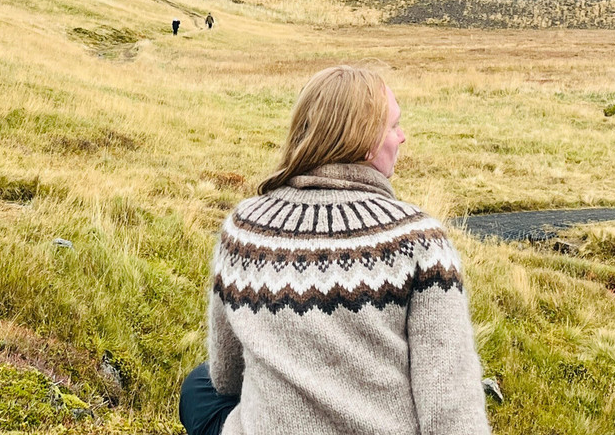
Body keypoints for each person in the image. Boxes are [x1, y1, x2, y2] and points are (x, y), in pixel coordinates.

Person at [179, 65, 493, 435]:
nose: (402, 137)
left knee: (198, 388)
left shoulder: (243, 229)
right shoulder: (420, 240)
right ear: (363, 142)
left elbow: (227, 377)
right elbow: (451, 407)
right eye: (394, 125)